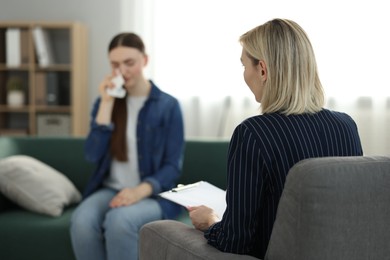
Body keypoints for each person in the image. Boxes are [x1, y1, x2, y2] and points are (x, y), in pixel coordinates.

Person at [188, 18, 363, 259]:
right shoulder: (346, 126)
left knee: (158, 230)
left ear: (262, 70)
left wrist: (210, 221)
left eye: (244, 65)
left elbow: (236, 241)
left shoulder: (252, 133)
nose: (244, 74)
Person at [69, 32, 185, 260]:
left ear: (144, 60)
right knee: (81, 221)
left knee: (119, 221)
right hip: (111, 189)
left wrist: (138, 191)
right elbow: (92, 154)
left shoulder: (168, 106)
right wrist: (106, 102)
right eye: (115, 65)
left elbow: (172, 166)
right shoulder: (106, 104)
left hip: (153, 195)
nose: (122, 71)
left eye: (129, 63)